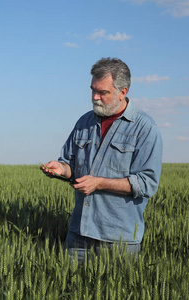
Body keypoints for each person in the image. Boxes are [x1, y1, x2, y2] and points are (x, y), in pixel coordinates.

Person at [41, 57, 162, 263]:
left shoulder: (145, 128)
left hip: (119, 240)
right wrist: (61, 169)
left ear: (122, 92)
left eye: (102, 92)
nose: (95, 97)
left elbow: (147, 183)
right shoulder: (84, 122)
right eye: (92, 90)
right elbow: (71, 164)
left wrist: (99, 183)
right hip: (78, 234)